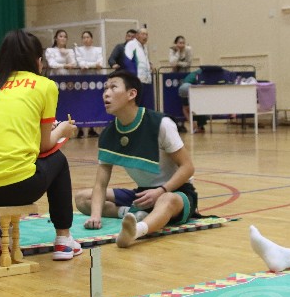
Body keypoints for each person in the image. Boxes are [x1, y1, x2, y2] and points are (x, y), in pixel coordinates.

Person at [0, 30, 81, 261]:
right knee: (56, 161)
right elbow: (44, 145)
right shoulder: (45, 85)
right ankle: (63, 239)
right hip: (13, 187)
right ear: (38, 61)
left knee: (16, 161)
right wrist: (62, 130)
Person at [74, 70, 198, 248]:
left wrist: (161, 190)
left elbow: (188, 167)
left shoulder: (160, 124)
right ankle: (132, 214)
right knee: (82, 198)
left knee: (167, 200)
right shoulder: (108, 134)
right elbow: (100, 184)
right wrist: (95, 216)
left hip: (176, 191)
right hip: (142, 194)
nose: (106, 93)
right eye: (105, 88)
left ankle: (136, 231)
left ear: (131, 94)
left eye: (113, 87)